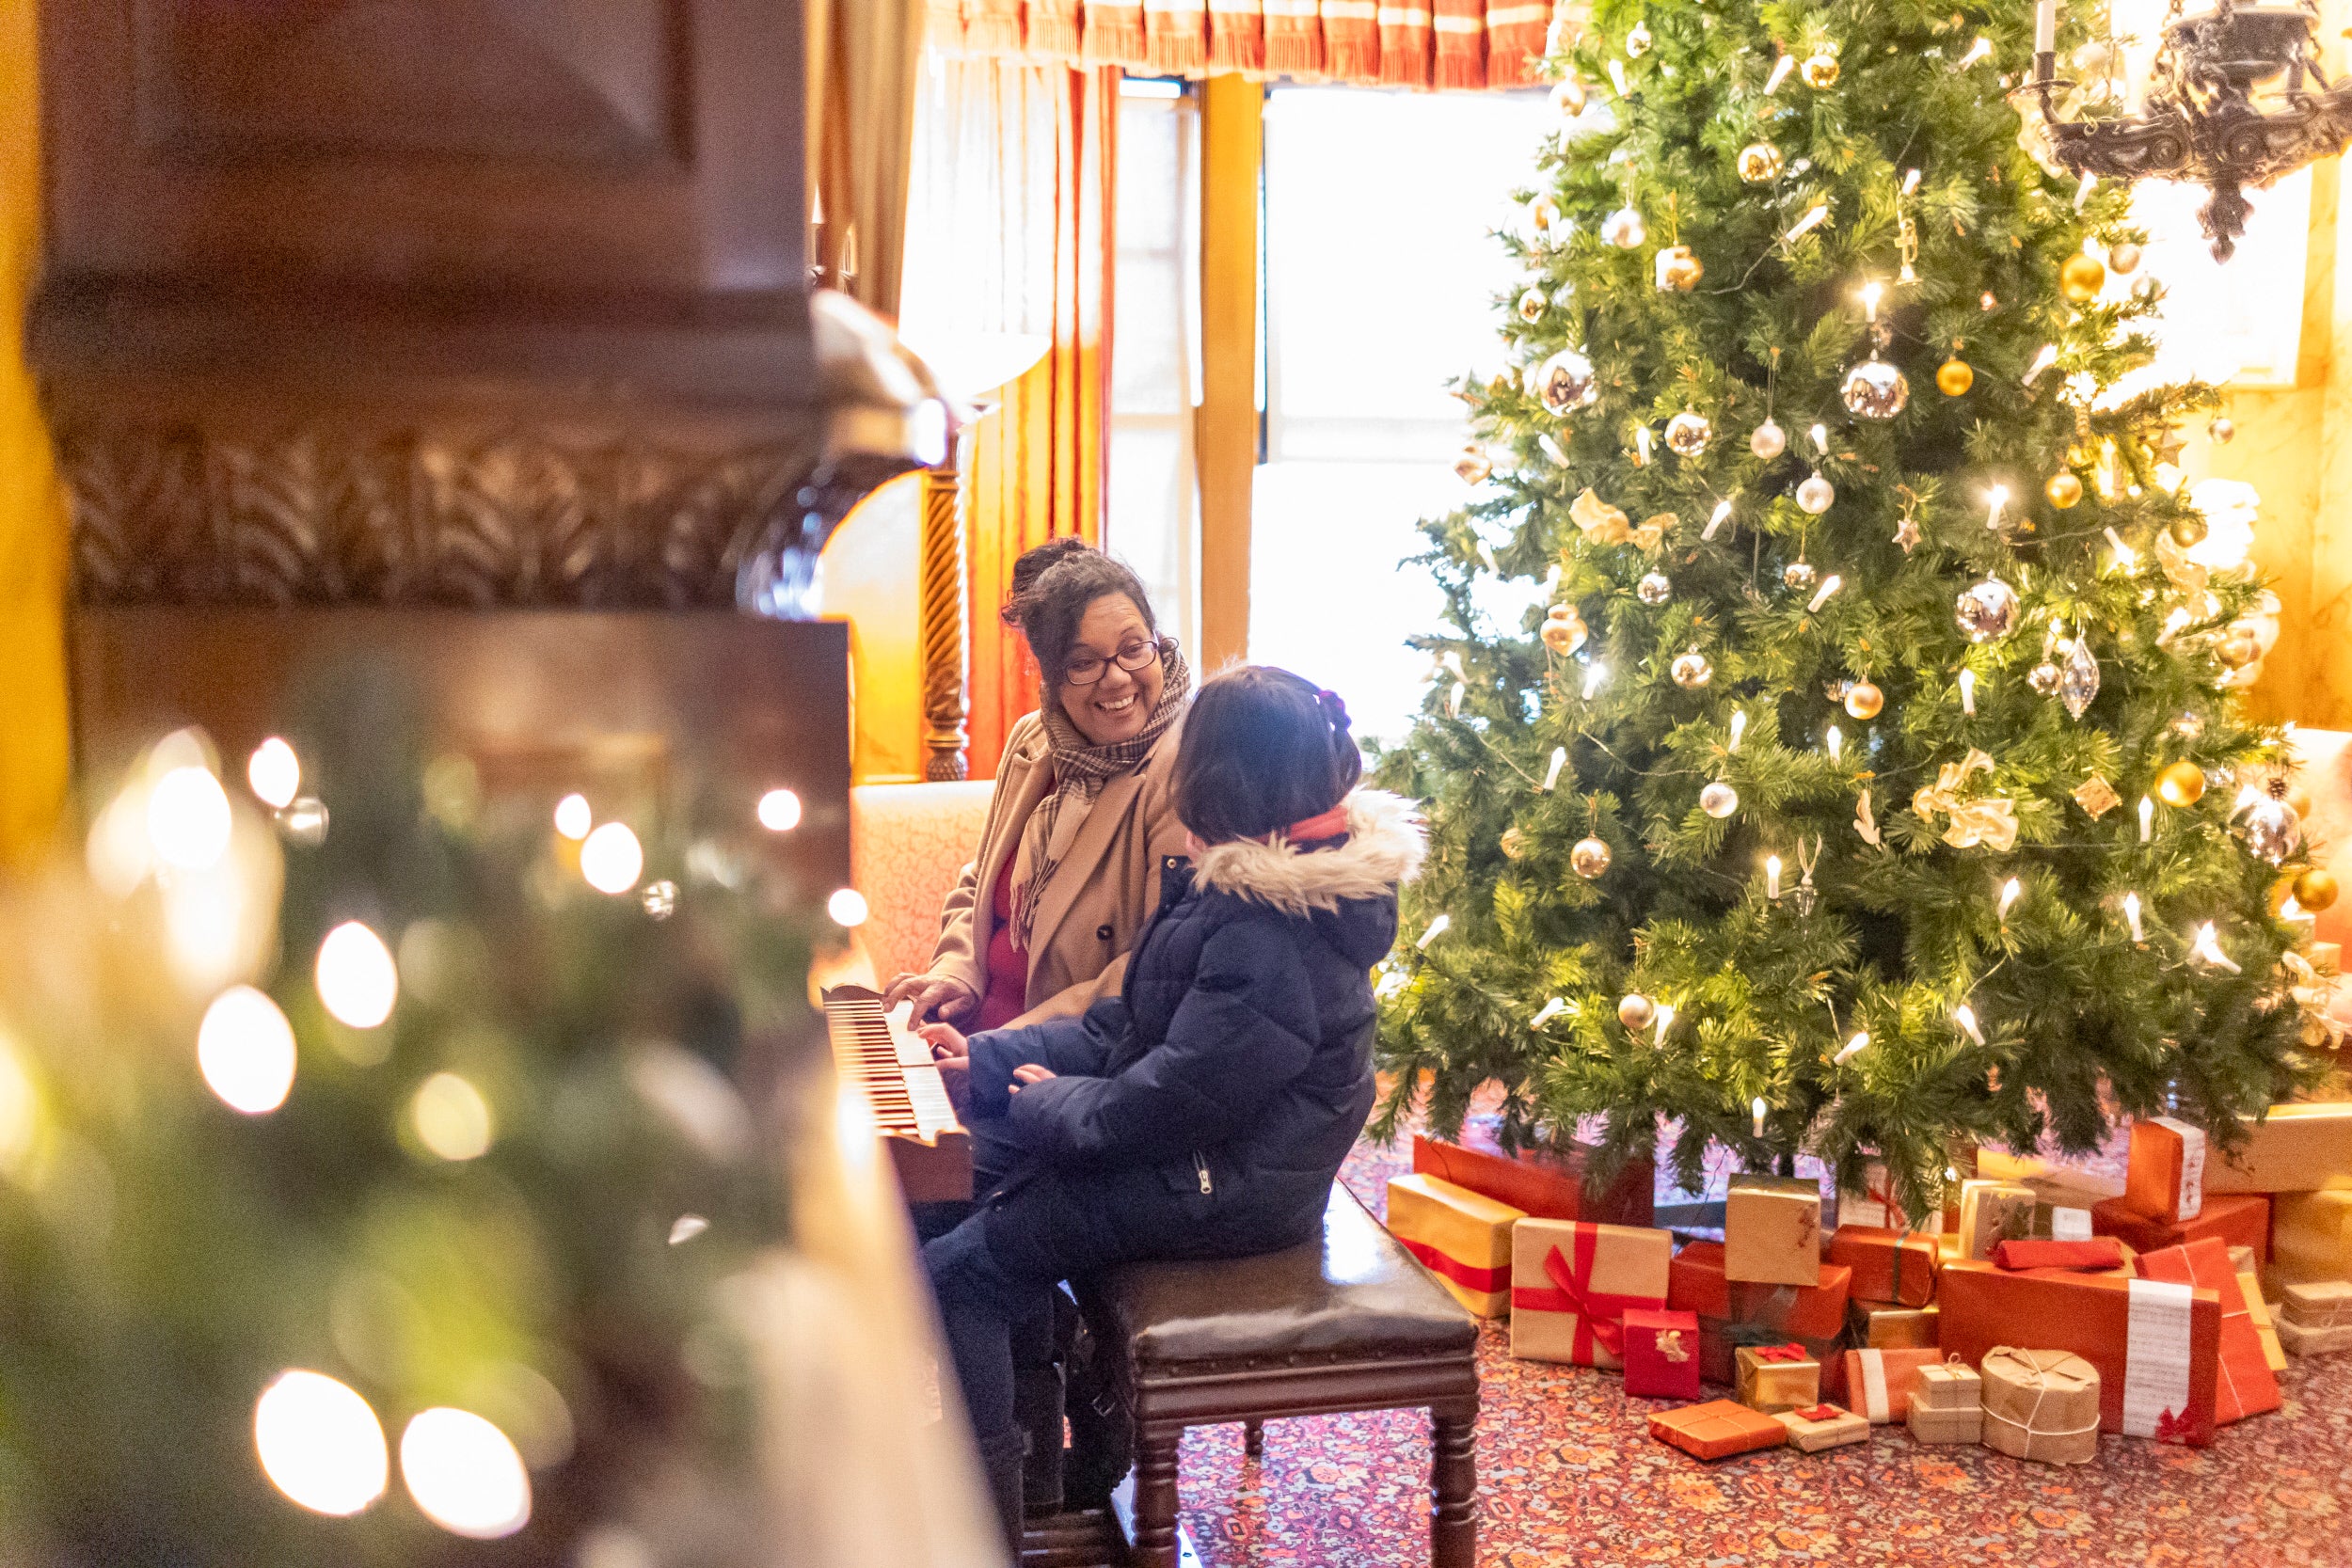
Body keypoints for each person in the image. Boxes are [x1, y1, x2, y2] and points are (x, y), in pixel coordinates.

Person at [916, 667, 1425, 1548]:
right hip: (1195, 1151)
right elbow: (1124, 1028)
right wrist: (990, 1066)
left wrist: (1048, 1112)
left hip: (1226, 1184)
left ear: (1215, 781)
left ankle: (982, 1533)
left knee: (960, 1279)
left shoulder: (1269, 929)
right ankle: (1042, 1477)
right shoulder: (1245, 885)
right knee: (953, 1186)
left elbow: (1171, 1099)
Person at [883, 540, 1192, 1036]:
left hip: (1066, 1065)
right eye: (1084, 662)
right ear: (1050, 676)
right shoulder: (1033, 739)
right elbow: (979, 881)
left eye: (1134, 649)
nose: (1116, 679)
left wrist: (1005, 1046)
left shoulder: (1187, 770)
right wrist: (955, 975)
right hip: (972, 1032)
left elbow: (1153, 972)